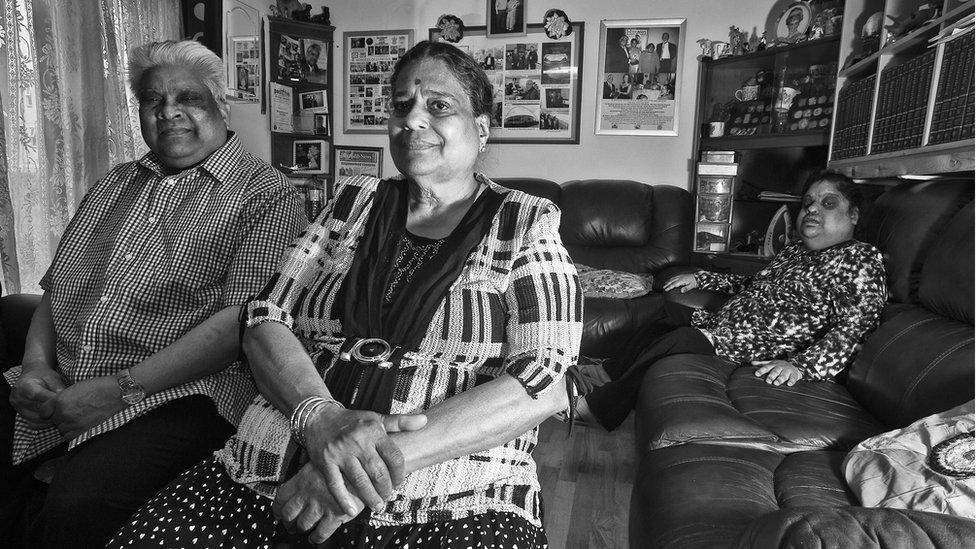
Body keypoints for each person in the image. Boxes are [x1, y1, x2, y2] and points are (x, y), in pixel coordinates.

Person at [110, 40, 583, 548]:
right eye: (402, 105)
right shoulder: (350, 202)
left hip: (448, 495)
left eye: (439, 106)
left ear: (482, 129)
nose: (414, 120)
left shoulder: (527, 220)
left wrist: (360, 470)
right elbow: (265, 316)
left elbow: (547, 377)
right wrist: (319, 419)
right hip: (271, 465)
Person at [0, 40, 307, 548]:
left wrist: (116, 392)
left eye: (188, 97)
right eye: (152, 100)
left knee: (83, 498)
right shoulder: (115, 183)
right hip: (66, 377)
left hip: (181, 392)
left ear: (220, 105)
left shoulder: (265, 195)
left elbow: (241, 323)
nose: (169, 113)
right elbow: (56, 289)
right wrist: (35, 366)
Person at [568, 172, 887, 431]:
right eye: (808, 203)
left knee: (679, 339)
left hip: (764, 344)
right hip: (729, 326)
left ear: (854, 214)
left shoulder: (858, 259)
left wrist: (801, 366)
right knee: (663, 310)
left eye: (828, 203)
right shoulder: (795, 252)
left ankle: (600, 411)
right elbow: (752, 284)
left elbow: (856, 328)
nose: (813, 209)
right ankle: (605, 373)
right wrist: (701, 278)